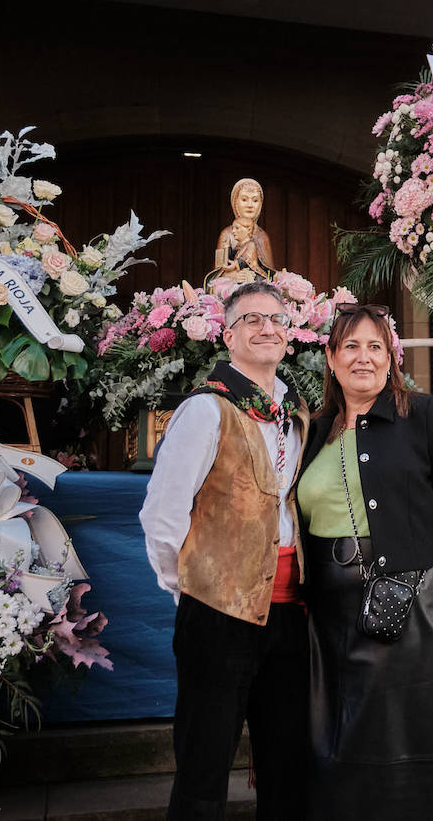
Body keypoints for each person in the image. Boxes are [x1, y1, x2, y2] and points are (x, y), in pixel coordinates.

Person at [295, 303, 433, 820]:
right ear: (332, 359)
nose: (364, 357)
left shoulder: (424, 415)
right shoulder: (314, 429)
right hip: (325, 614)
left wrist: (420, 575)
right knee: (335, 736)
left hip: (399, 606)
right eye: (351, 346)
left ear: (391, 358)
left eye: (375, 346)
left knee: (399, 737)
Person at [138, 280, 310, 820]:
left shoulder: (297, 412)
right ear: (228, 336)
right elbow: (161, 515)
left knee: (287, 767)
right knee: (204, 766)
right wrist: (193, 590)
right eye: (251, 319)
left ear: (290, 335)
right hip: (217, 613)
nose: (266, 328)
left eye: (276, 319)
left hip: (291, 611)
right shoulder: (206, 411)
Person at [206, 177, 276, 286]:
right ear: (235, 202)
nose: (250, 205)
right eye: (244, 199)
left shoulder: (262, 236)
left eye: (255, 200)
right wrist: (232, 276)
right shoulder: (227, 234)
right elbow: (218, 271)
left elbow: (270, 274)